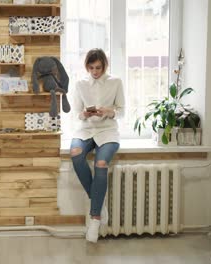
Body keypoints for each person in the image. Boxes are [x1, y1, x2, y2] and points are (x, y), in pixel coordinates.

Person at [70, 48, 125, 243]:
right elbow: (76, 112)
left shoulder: (116, 82)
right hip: (85, 129)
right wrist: (84, 114)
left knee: (101, 164)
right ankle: (99, 203)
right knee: (76, 153)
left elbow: (122, 111)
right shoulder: (80, 84)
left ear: (104, 66)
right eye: (91, 68)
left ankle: (95, 219)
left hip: (108, 131)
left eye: (98, 67)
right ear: (87, 67)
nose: (95, 71)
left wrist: (109, 111)